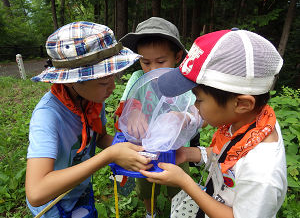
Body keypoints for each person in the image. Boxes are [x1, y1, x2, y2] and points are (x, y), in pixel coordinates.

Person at [140, 28, 287, 218]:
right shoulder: (253, 123)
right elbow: (227, 152)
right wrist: (187, 153)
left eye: (199, 99)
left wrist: (185, 182)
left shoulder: (261, 173)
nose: (194, 105)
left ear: (242, 103)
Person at [25, 21, 153, 218]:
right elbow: (36, 192)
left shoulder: (92, 101)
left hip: (80, 191)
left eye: (113, 76)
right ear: (73, 80)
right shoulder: (48, 116)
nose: (111, 87)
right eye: (103, 81)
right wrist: (109, 156)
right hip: (52, 206)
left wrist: (135, 147)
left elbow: (99, 137)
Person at [116, 17, 198, 218]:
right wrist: (134, 111)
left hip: (177, 151)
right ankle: (150, 212)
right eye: (145, 62)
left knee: (178, 188)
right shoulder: (137, 80)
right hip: (144, 149)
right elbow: (125, 106)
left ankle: (177, 213)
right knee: (145, 186)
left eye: (161, 61)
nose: (153, 69)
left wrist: (185, 116)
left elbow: (198, 110)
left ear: (178, 56)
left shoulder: (185, 83)